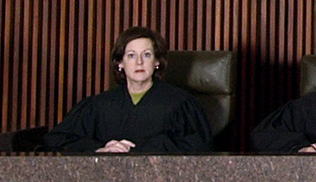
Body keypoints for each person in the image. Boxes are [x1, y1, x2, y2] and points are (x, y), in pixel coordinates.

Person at [43, 26, 212, 154]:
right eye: (131, 55)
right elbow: (57, 139)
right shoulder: (99, 105)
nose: (139, 62)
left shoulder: (180, 103)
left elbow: (200, 147)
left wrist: (146, 148)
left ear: (157, 62)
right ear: (120, 64)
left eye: (146, 55)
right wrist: (101, 148)